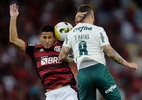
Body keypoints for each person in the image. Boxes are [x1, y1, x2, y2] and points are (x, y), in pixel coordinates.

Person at [59, 4, 138, 100]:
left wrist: (71, 58)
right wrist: (128, 64)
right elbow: (110, 52)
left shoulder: (71, 33)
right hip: (99, 70)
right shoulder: (98, 30)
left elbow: (62, 56)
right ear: (92, 15)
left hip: (83, 74)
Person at [9, 3, 78, 100]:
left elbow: (74, 39)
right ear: (39, 38)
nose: (47, 40)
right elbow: (13, 40)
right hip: (50, 95)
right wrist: (13, 17)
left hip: (67, 91)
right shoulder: (34, 49)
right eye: (44, 37)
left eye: (50, 37)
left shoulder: (61, 45)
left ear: (55, 37)